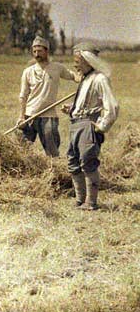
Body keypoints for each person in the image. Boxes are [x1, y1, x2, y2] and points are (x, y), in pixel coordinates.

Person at [62, 43, 118, 210]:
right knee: (73, 161)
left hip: (88, 125)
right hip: (75, 125)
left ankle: (91, 202)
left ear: (88, 60)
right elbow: (86, 102)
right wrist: (71, 109)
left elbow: (112, 106)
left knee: (88, 162)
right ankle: (80, 200)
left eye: (77, 60)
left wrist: (102, 126)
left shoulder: (99, 79)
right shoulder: (86, 79)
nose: (75, 65)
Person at [18, 35, 77, 157]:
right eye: (34, 51)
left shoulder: (57, 68)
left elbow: (73, 76)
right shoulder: (28, 72)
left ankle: (55, 170)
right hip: (30, 115)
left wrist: (86, 77)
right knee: (22, 149)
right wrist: (21, 117)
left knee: (52, 150)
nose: (36, 54)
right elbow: (23, 96)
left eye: (39, 51)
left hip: (48, 115)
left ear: (47, 51)